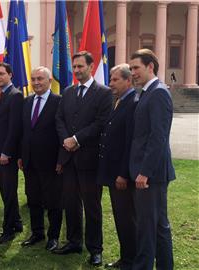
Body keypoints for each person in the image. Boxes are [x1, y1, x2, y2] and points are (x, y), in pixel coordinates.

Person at [54, 51, 112, 266]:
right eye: (75, 67)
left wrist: (77, 139)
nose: (77, 70)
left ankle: (95, 249)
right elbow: (59, 119)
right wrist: (66, 140)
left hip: (90, 160)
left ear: (91, 66)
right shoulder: (68, 92)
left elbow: (101, 122)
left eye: (81, 66)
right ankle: (73, 241)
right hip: (69, 158)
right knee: (70, 203)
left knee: (92, 206)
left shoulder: (104, 93)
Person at [129, 48, 175, 270]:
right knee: (156, 225)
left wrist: (145, 171)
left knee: (150, 226)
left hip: (151, 174)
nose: (133, 73)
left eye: (136, 68)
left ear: (150, 66)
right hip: (147, 171)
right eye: (130, 69)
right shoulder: (146, 92)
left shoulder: (158, 92)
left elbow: (158, 137)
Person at [96, 64, 137, 269]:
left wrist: (123, 174)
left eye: (115, 80)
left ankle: (130, 260)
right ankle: (126, 257)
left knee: (126, 218)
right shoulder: (119, 100)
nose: (110, 83)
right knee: (121, 218)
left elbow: (129, 143)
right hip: (112, 172)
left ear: (128, 81)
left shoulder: (132, 103)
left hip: (122, 175)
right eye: (110, 79)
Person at [18, 67, 63, 251]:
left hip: (51, 162)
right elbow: (24, 132)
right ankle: (37, 233)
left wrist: (61, 160)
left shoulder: (59, 102)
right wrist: (21, 155)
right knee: (33, 199)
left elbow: (62, 133)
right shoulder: (27, 101)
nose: (36, 82)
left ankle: (53, 236)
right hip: (29, 161)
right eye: (33, 79)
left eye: (40, 79)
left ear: (49, 80)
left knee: (53, 201)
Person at [0, 62, 23, 244]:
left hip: (6, 154)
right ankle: (17, 222)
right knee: (5, 190)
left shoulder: (15, 96)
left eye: (2, 74)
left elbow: (14, 128)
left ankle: (8, 230)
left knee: (9, 191)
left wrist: (7, 152)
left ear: (10, 75)